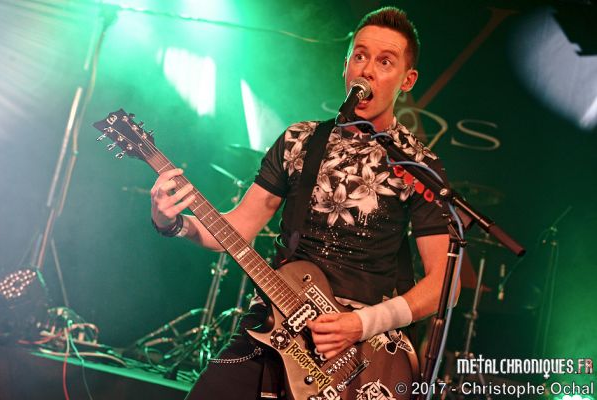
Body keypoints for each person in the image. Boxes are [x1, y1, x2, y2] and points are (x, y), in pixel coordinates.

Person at [150, 6, 458, 399]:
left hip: (357, 354)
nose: (367, 70)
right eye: (360, 56)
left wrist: (362, 324)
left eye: (385, 62)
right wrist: (173, 223)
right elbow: (237, 228)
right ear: (345, 67)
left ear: (407, 80)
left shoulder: (417, 165)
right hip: (275, 326)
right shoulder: (301, 140)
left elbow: (443, 285)